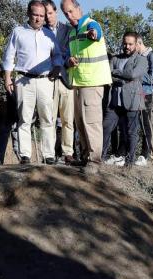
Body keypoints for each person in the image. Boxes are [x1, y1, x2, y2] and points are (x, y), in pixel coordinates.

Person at [1, 0, 63, 165]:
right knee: (24, 118)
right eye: (35, 15)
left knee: (47, 118)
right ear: (29, 14)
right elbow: (9, 56)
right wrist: (7, 77)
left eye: (42, 16)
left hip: (45, 80)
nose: (38, 18)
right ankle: (25, 156)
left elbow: (57, 55)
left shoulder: (49, 34)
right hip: (23, 79)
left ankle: (49, 155)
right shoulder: (18, 32)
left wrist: (57, 67)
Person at [60, 0, 111, 171]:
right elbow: (73, 54)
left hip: (92, 82)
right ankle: (85, 157)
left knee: (91, 122)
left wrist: (93, 34)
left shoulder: (91, 24)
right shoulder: (73, 32)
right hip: (78, 82)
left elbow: (96, 33)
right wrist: (69, 60)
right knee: (80, 122)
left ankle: (94, 161)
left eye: (71, 11)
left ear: (78, 9)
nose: (69, 15)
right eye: (65, 13)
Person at [102, 33, 146, 167]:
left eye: (130, 44)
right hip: (114, 101)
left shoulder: (141, 60)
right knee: (105, 128)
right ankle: (99, 158)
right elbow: (107, 75)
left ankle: (130, 162)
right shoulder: (115, 58)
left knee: (131, 132)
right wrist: (121, 77)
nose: (127, 46)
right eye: (125, 43)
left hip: (133, 101)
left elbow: (133, 74)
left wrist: (116, 73)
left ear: (136, 44)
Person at [44, 0, 75, 165]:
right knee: (48, 119)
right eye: (45, 14)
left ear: (55, 12)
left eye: (50, 13)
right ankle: (49, 154)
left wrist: (60, 60)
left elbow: (69, 52)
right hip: (47, 81)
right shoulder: (40, 32)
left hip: (65, 79)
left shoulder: (69, 30)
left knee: (67, 120)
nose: (48, 17)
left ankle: (68, 152)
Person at [135, 37, 153, 164]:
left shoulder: (152, 57)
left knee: (145, 124)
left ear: (139, 43)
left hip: (146, 94)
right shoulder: (138, 56)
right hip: (135, 93)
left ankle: (144, 155)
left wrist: (136, 74)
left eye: (135, 47)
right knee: (133, 123)